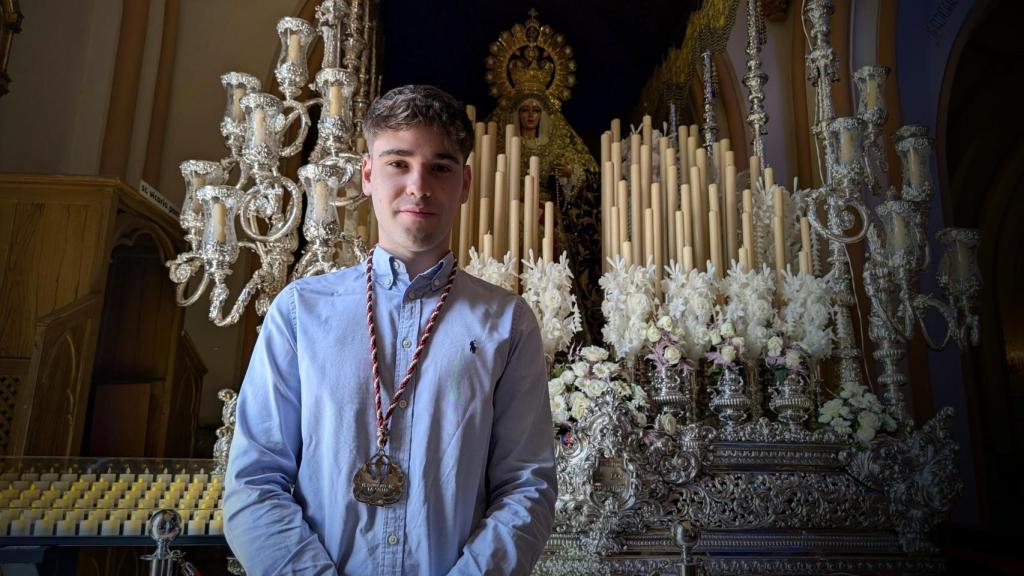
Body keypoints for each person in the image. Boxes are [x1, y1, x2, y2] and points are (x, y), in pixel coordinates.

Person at [224, 84, 557, 575]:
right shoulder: (299, 313)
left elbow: (527, 486)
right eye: (398, 163)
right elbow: (254, 483)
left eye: (439, 168)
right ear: (367, 175)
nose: (418, 186)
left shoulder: (506, 322)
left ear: (464, 183)